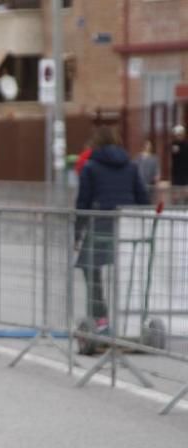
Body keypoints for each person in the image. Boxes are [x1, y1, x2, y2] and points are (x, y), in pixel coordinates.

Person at [75, 125, 149, 334]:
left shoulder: (90, 167)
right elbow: (143, 199)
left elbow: (83, 203)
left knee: (91, 269)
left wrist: (77, 234)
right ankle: (130, 320)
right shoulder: (132, 166)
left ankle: (100, 318)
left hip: (100, 223)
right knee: (128, 270)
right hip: (128, 226)